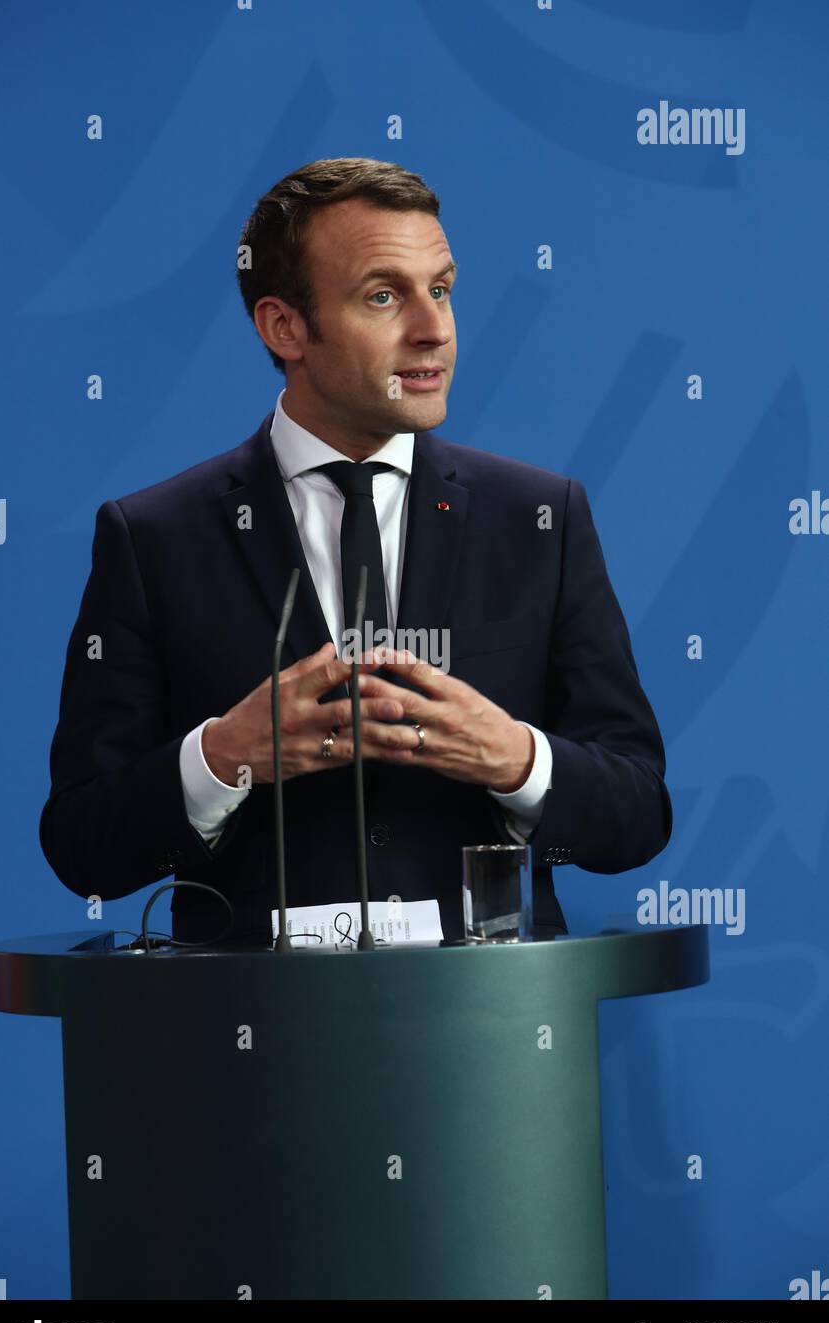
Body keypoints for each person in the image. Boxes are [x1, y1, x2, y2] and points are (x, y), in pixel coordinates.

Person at [39, 156, 672, 945]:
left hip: (490, 1041)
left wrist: (512, 756)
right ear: (284, 327)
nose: (433, 327)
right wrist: (224, 756)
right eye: (384, 295)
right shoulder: (155, 538)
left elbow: (639, 811)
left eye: (440, 288)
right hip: (249, 1040)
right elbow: (81, 844)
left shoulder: (541, 520)